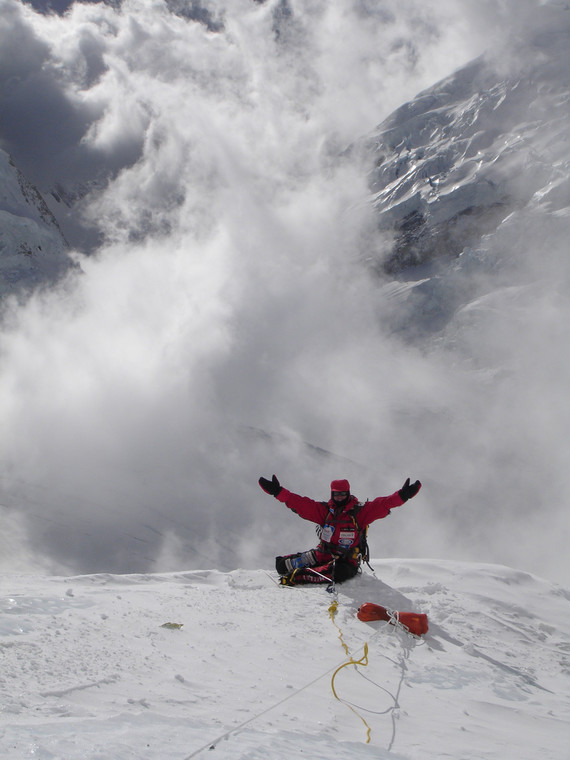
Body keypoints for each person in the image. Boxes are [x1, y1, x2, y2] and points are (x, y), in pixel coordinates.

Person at [258, 475, 421, 585]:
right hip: (322, 554)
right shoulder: (325, 511)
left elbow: (383, 504)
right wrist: (278, 492)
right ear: (332, 494)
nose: (340, 498)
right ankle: (302, 570)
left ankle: (301, 576)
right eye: (336, 495)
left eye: (343, 494)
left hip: (346, 561)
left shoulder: (359, 513)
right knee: (281, 566)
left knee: (340, 573)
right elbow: (301, 504)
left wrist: (403, 495)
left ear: (348, 493)